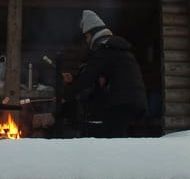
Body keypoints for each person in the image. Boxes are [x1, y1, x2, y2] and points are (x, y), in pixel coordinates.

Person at [62, 10, 147, 138]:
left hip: (122, 101)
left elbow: (88, 77)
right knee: (115, 134)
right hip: (133, 99)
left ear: (94, 33)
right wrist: (74, 78)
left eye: (87, 36)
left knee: (114, 137)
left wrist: (66, 95)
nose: (86, 40)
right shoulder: (116, 48)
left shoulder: (104, 50)